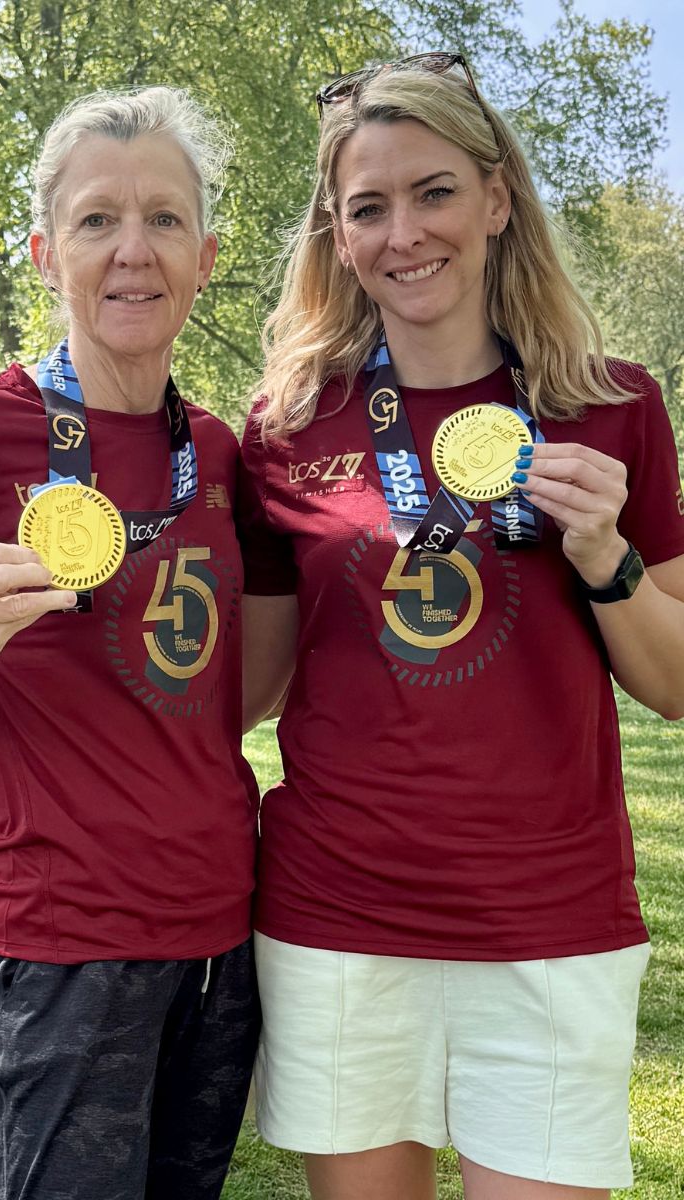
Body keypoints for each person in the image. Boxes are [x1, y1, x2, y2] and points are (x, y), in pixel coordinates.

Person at [235, 54, 684, 1200]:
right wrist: (21, 716)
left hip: (550, 914)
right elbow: (248, 687)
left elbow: (674, 684)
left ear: (494, 200)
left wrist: (603, 556)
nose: (403, 233)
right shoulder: (287, 426)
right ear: (337, 235)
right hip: (338, 912)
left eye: (432, 192)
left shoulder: (612, 402)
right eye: (366, 208)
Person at [0, 87, 260, 1200]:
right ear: (48, 252)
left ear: (204, 254)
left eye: (163, 219)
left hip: (221, 940)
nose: (131, 252)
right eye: (98, 221)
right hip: (57, 947)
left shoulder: (225, 456)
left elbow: (230, 694)